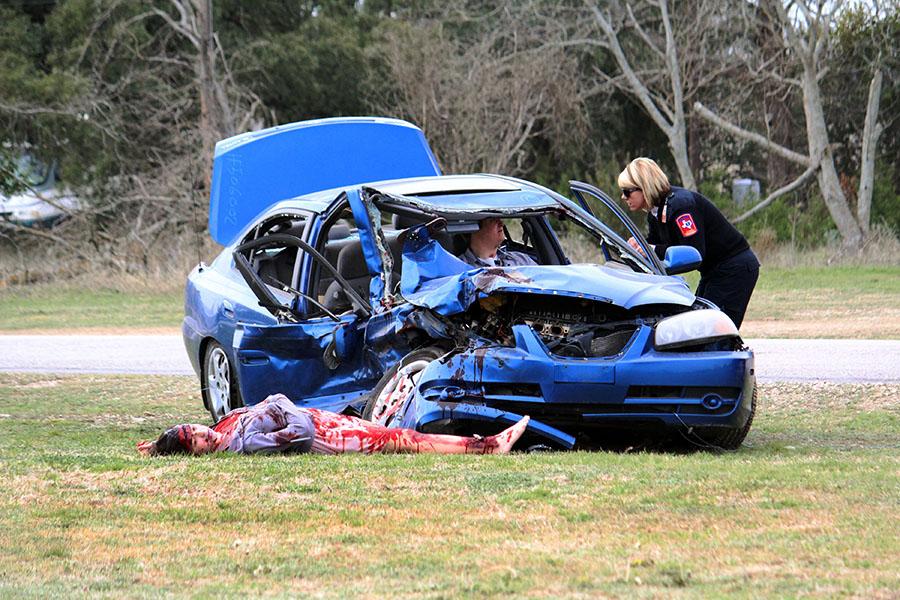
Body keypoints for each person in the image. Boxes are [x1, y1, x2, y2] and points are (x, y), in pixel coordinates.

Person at [137, 394, 530, 456]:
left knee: (392, 429)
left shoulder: (225, 425)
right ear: (198, 453)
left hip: (320, 418)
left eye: (191, 427)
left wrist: (157, 446)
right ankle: (485, 446)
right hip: (326, 435)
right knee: (400, 439)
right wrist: (282, 402)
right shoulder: (242, 443)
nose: (200, 432)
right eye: (195, 441)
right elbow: (300, 434)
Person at [617, 157, 759, 328]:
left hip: (734, 269)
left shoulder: (681, 207)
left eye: (627, 191)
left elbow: (694, 252)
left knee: (713, 332)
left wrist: (651, 248)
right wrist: (636, 248)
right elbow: (654, 248)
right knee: (698, 326)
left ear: (645, 186)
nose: (623, 197)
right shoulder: (655, 212)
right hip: (713, 271)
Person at [458, 217, 537, 268]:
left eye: (499, 219)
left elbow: (545, 284)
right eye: (493, 220)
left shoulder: (521, 259)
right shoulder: (458, 267)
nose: (501, 223)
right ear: (473, 228)